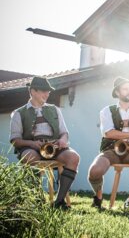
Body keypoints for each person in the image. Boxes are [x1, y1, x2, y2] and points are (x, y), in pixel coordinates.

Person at [9, 76, 80, 210]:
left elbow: (64, 132)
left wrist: (63, 140)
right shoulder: (18, 113)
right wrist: (31, 144)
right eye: (44, 91)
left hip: (54, 146)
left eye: (48, 91)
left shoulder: (55, 109)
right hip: (32, 148)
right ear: (33, 91)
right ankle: (37, 200)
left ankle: (59, 202)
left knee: (74, 157)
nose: (47, 94)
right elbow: (15, 140)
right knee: (30, 157)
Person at [87, 77, 129, 210]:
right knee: (95, 171)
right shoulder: (106, 111)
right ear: (117, 93)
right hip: (111, 149)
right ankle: (98, 197)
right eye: (125, 89)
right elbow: (109, 133)